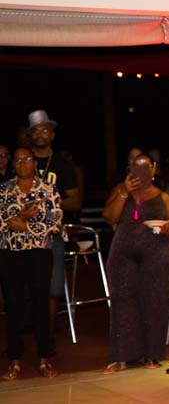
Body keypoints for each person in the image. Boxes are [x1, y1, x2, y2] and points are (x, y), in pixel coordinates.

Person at [101, 154, 169, 373]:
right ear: (129, 169)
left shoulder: (163, 197)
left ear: (154, 169)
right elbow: (109, 217)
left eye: (146, 167)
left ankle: (152, 355)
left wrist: (168, 229)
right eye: (136, 167)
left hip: (156, 251)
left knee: (155, 301)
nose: (141, 171)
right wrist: (124, 191)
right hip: (123, 252)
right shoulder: (121, 189)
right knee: (122, 301)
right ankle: (121, 356)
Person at [0, 147, 62, 380]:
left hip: (39, 253)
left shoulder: (47, 189)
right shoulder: (4, 190)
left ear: (35, 163)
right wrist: (21, 217)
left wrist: (23, 225)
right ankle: (14, 360)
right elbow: (2, 223)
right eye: (18, 160)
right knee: (13, 305)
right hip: (10, 252)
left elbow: (54, 223)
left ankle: (45, 358)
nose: (23, 163)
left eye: (27, 159)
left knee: (40, 304)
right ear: (13, 164)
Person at [27, 110, 81, 350]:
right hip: (21, 233)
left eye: (44, 130)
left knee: (52, 286)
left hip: (52, 233)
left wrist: (49, 204)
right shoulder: (22, 161)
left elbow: (75, 201)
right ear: (30, 136)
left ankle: (46, 339)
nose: (40, 134)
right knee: (22, 286)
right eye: (36, 131)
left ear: (52, 134)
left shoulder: (62, 166)